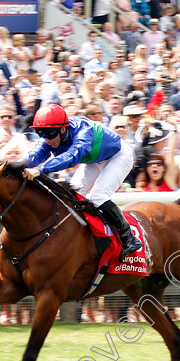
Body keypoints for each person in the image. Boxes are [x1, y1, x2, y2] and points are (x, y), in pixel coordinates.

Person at [22, 103, 143, 260]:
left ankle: (129, 238)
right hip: (95, 160)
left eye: (50, 134)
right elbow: (34, 157)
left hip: (118, 156)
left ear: (63, 129)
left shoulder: (83, 130)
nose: (46, 139)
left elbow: (73, 156)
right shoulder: (50, 137)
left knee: (98, 197)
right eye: (41, 133)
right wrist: (9, 167)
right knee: (73, 195)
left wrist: (42, 169)